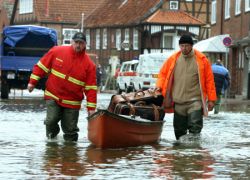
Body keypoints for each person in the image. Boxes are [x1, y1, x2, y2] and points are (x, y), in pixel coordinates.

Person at [27, 32, 97, 141]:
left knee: (70, 131)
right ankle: (52, 144)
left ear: (85, 45)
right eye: (76, 42)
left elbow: (91, 88)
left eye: (81, 43)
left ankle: (70, 154)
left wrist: (91, 109)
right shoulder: (57, 51)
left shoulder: (89, 65)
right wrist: (32, 82)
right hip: (53, 95)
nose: (78, 45)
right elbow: (41, 66)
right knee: (50, 121)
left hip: (72, 102)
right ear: (71, 42)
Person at [156, 34, 217, 140]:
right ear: (179, 46)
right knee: (179, 132)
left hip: (195, 100)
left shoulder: (201, 60)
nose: (184, 48)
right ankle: (181, 154)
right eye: (182, 45)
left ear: (191, 46)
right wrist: (158, 87)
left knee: (195, 128)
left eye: (187, 46)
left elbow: (209, 80)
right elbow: (162, 74)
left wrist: (212, 99)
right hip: (178, 101)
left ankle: (193, 153)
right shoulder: (173, 59)